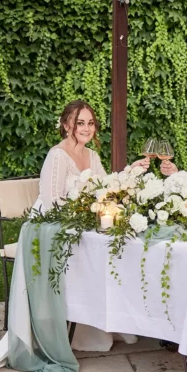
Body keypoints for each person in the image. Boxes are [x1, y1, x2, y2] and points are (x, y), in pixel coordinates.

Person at [36, 100, 150, 349]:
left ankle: (108, 317)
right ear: (67, 125)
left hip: (85, 221)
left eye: (90, 123)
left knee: (117, 247)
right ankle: (78, 320)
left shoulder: (92, 155)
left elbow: (105, 187)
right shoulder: (58, 156)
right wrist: (81, 215)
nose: (87, 128)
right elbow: (51, 201)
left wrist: (131, 171)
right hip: (57, 225)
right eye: (80, 123)